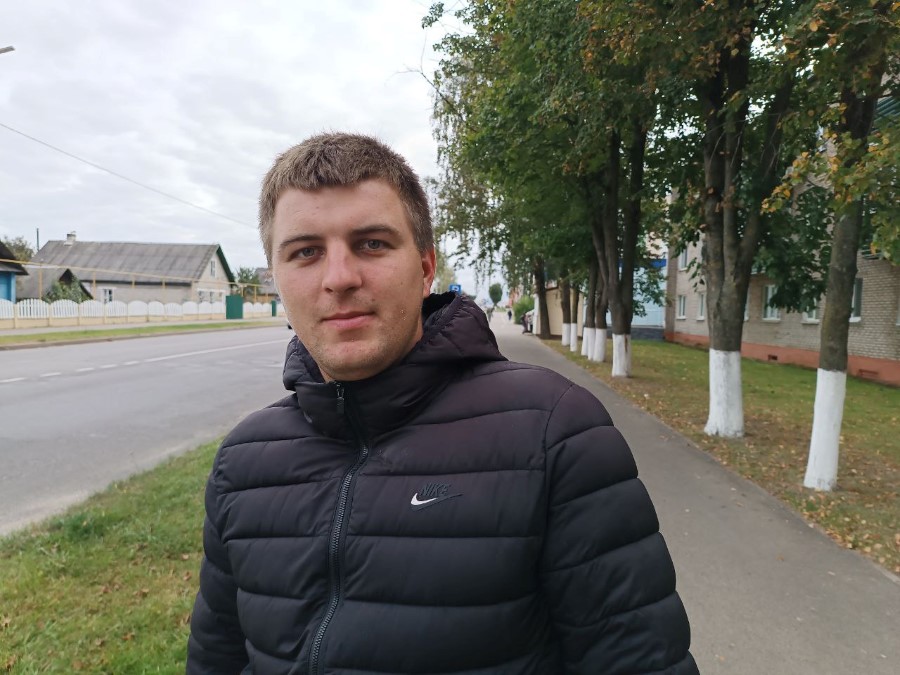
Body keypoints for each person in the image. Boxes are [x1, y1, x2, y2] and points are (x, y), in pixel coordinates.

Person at [187, 133, 698, 675]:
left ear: (426, 268)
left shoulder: (554, 433)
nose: (339, 278)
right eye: (305, 252)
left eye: (372, 244)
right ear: (276, 279)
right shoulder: (244, 463)